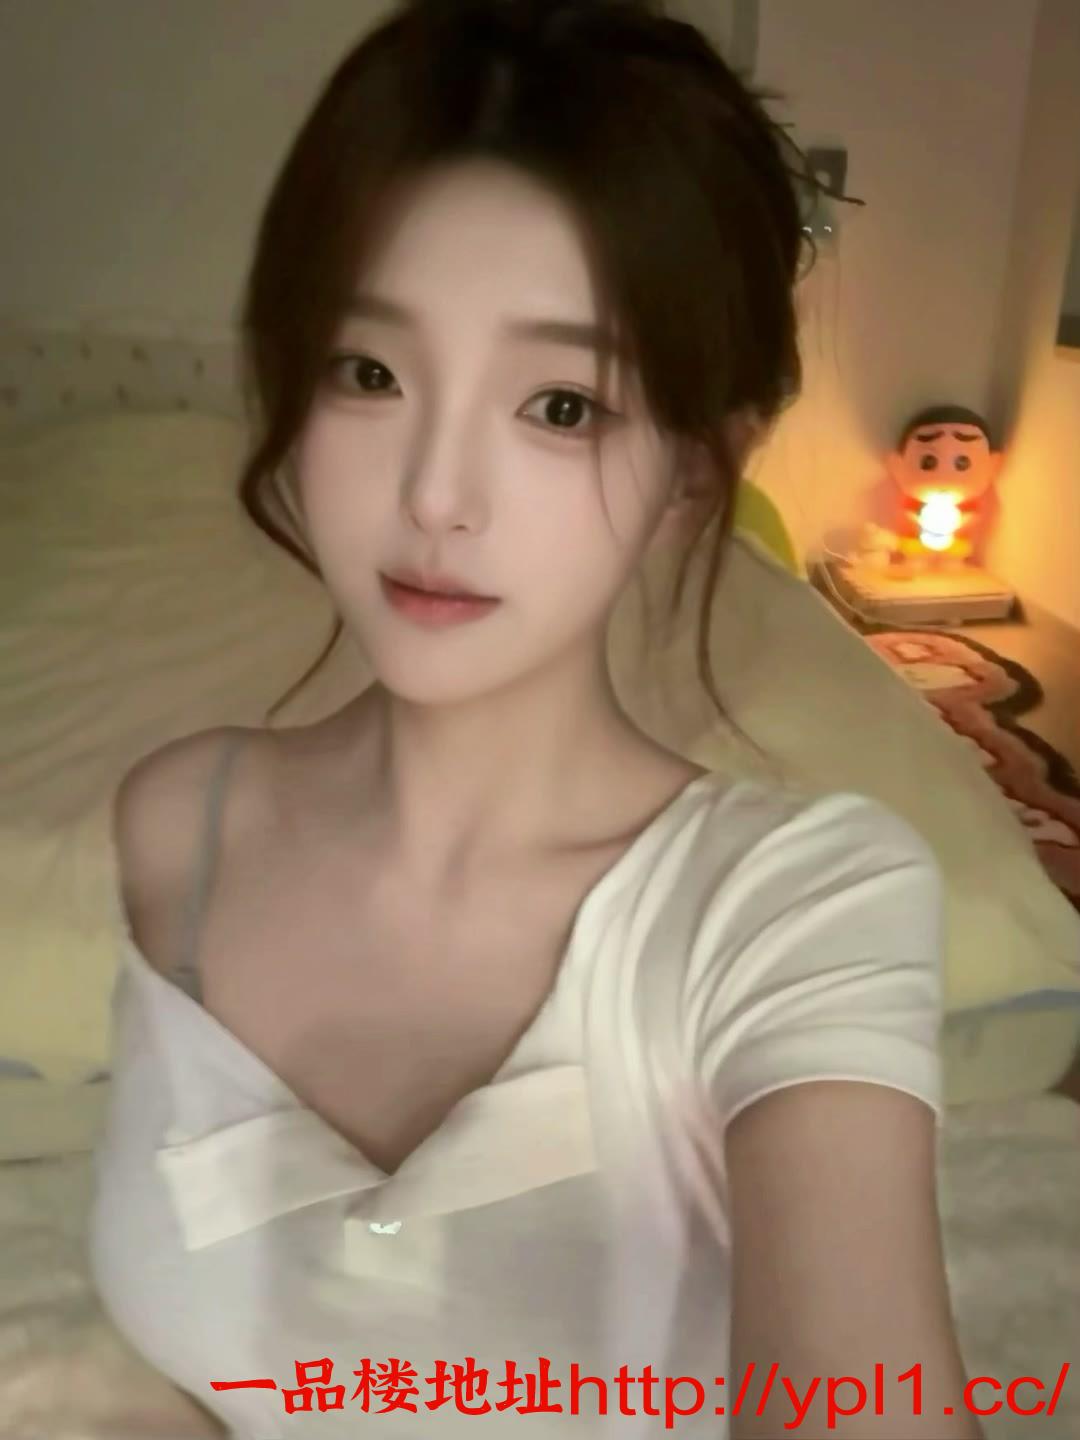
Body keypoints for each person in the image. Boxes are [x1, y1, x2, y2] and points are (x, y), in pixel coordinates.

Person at [89, 1, 982, 1435]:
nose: (437, 495)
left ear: (697, 472)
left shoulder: (792, 906)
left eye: (562, 405)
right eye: (371, 374)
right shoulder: (174, 827)